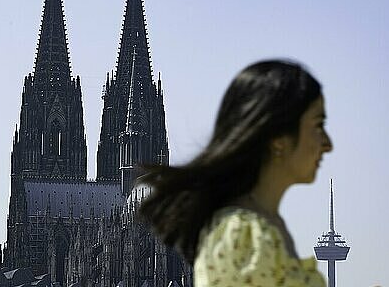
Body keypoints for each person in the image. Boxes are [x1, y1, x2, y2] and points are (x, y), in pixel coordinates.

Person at [137, 59, 332, 287]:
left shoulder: (261, 228)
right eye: (318, 125)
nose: (328, 143)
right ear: (279, 139)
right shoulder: (242, 234)